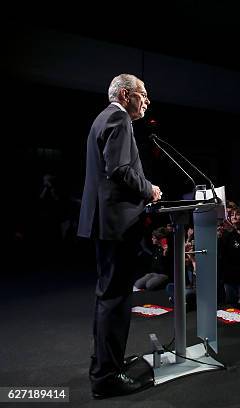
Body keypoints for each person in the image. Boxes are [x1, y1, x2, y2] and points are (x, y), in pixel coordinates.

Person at [77, 73, 162, 399]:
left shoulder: (103, 118)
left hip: (106, 223)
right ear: (126, 94)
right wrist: (150, 189)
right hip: (115, 225)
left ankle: (105, 364)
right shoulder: (118, 117)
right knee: (115, 299)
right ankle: (106, 377)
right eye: (143, 94)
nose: (147, 101)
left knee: (108, 297)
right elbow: (120, 169)